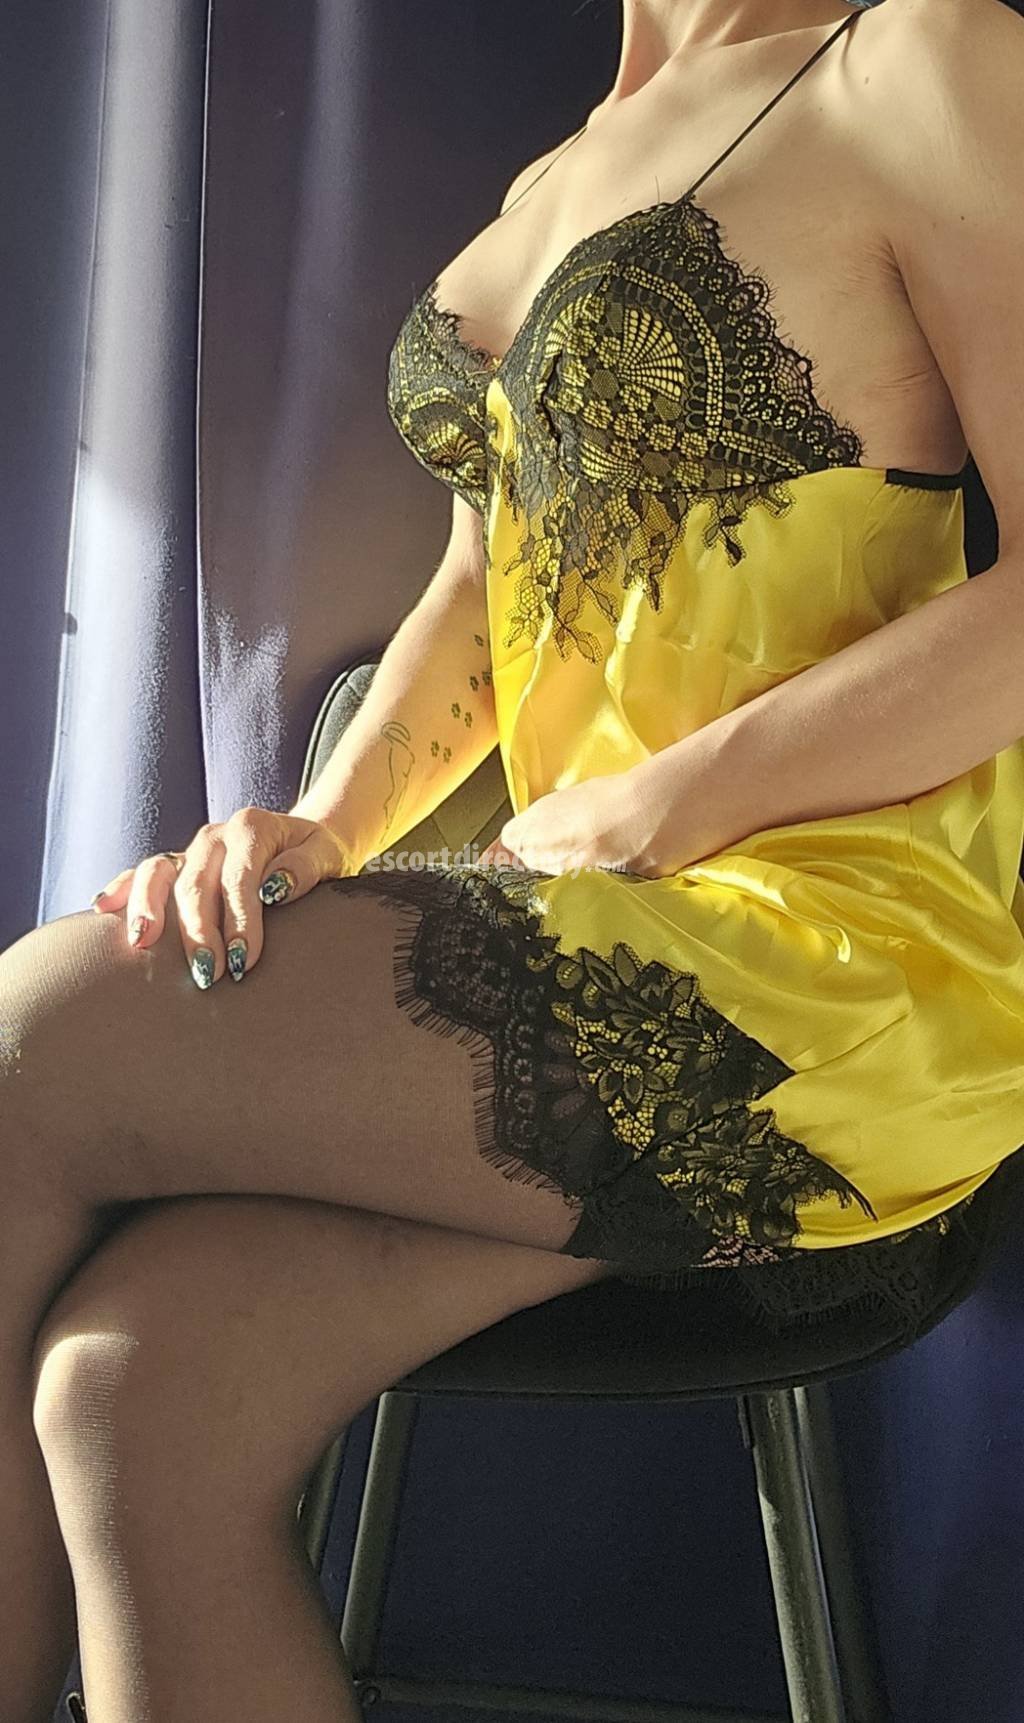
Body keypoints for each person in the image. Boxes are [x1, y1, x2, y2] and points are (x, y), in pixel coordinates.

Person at [3, 0, 1023, 1717]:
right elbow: (483, 591)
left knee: (37, 1034)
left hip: (835, 968)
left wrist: (673, 797)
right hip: (593, 918)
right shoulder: (571, 157)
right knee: (135, 1388)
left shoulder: (921, 56)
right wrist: (329, 823)